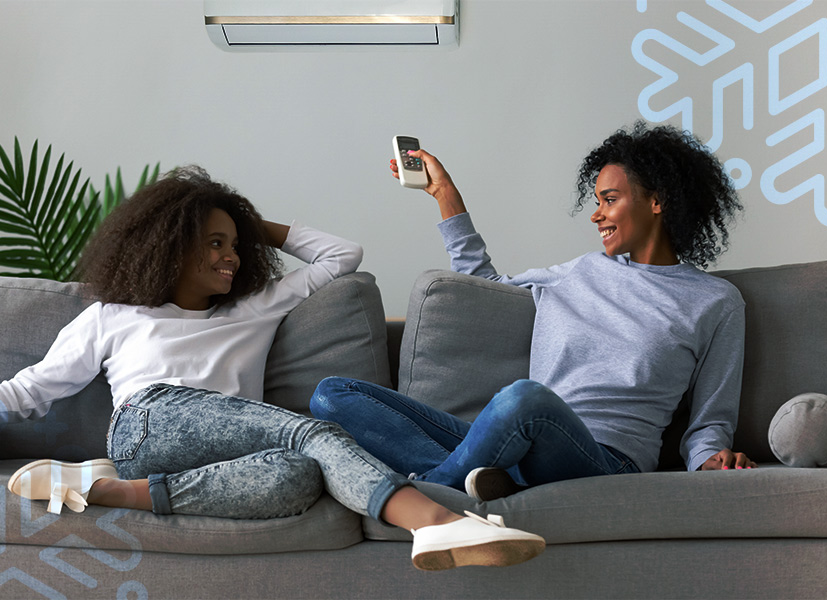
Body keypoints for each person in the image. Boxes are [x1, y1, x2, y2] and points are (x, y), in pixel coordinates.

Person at [0, 166, 545, 571]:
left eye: (235, 244)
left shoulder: (256, 306)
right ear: (170, 244)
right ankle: (435, 520)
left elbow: (342, 256)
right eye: (213, 243)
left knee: (300, 476)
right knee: (309, 431)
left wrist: (243, 221)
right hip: (150, 424)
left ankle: (110, 491)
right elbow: (31, 389)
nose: (231, 257)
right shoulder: (113, 315)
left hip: (223, 457)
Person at [311, 122, 756, 503]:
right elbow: (482, 286)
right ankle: (481, 481)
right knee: (334, 393)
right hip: (515, 443)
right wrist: (444, 194)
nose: (596, 215)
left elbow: (711, 419)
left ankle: (434, 492)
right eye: (597, 201)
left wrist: (708, 463)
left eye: (609, 199)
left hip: (605, 461)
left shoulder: (714, 300)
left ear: (657, 201)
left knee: (525, 399)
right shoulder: (578, 273)